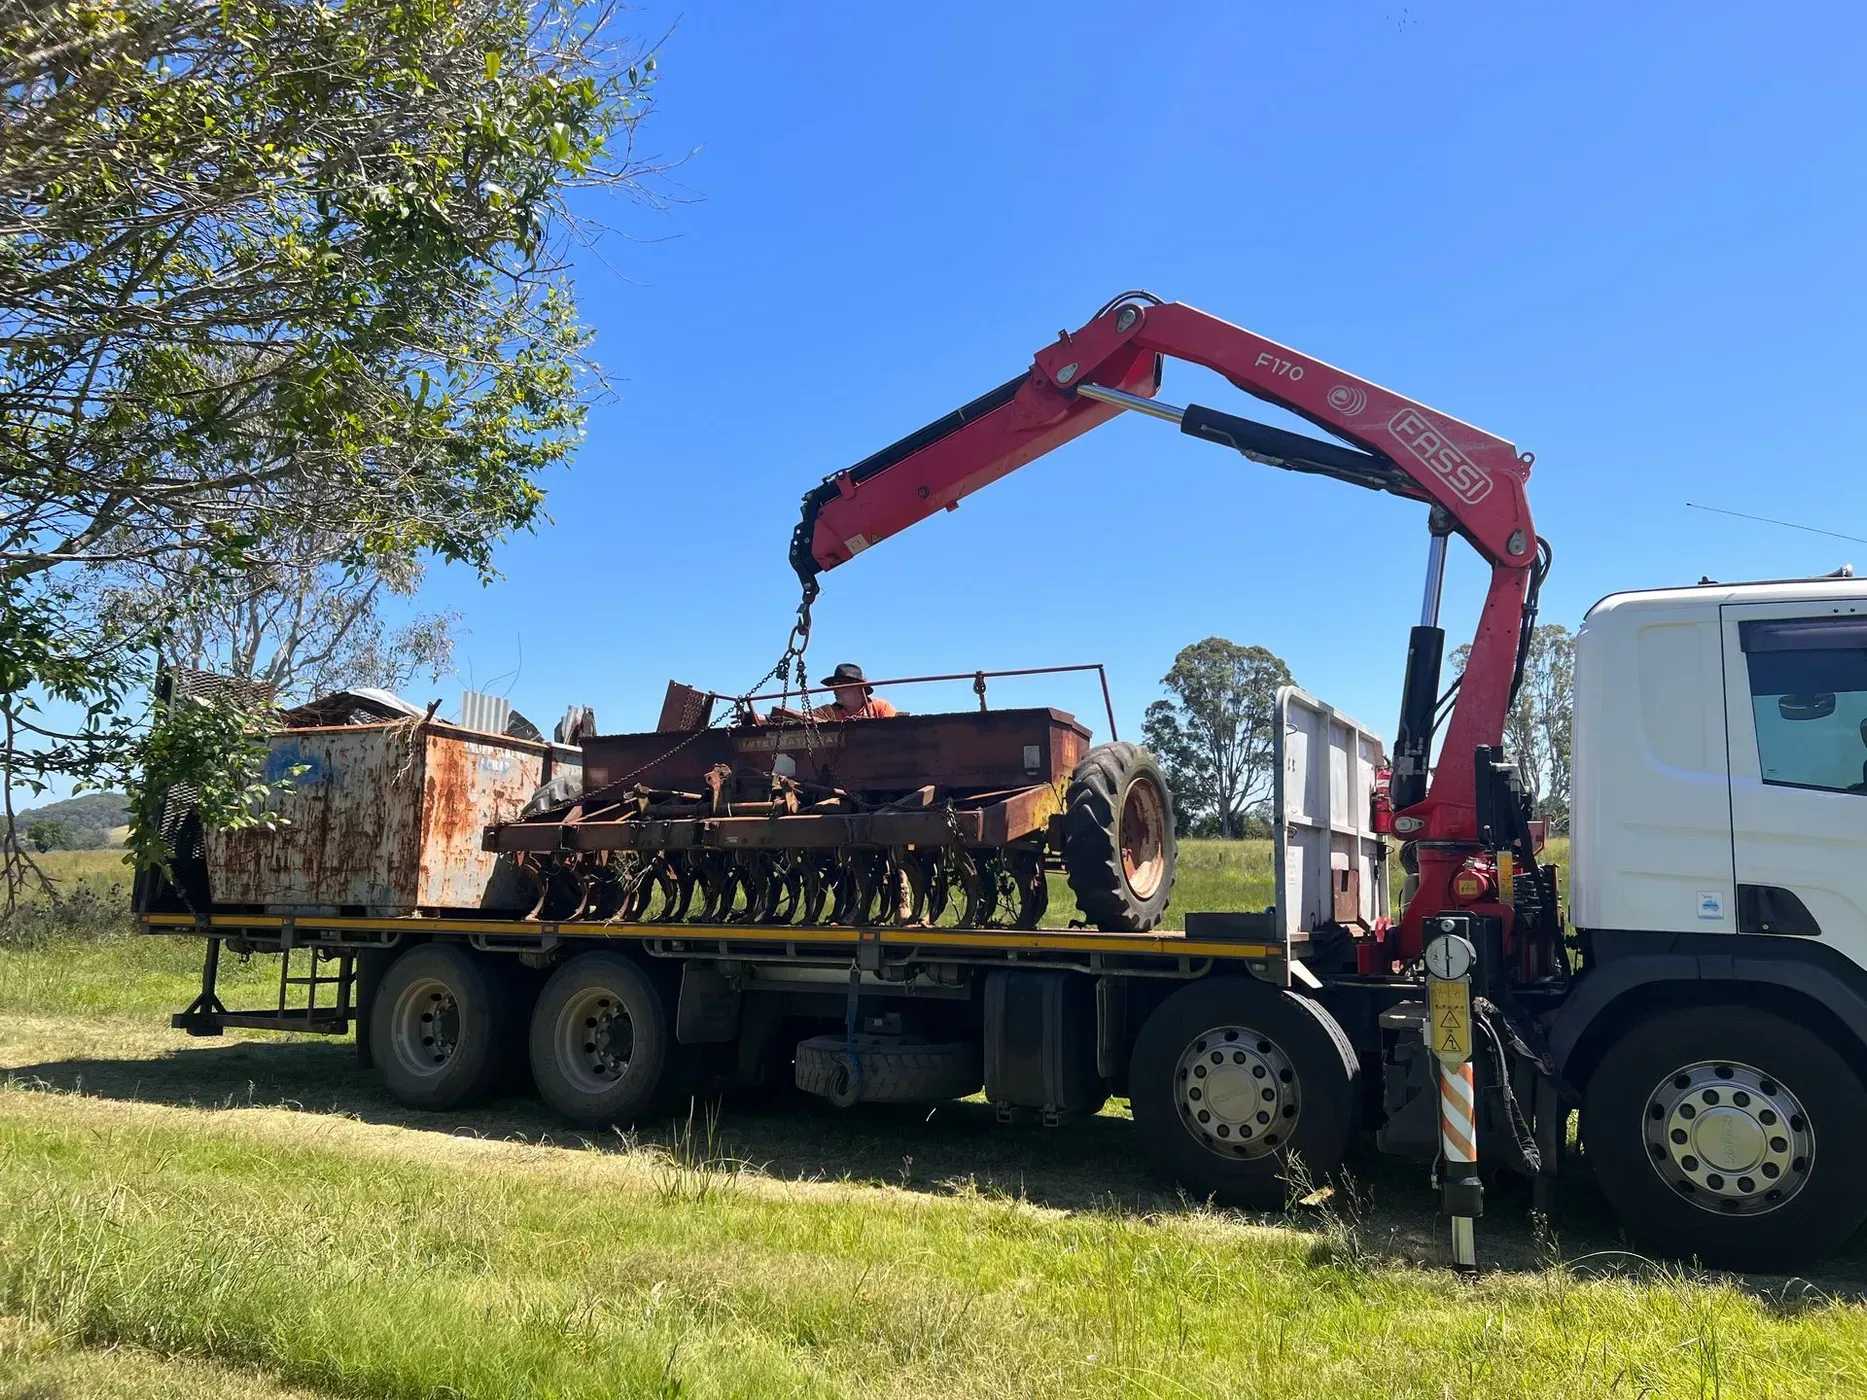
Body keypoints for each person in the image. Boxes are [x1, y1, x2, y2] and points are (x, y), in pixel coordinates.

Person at [810, 662, 898, 720]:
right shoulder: (828, 711)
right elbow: (805, 717)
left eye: (839, 684)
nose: (834, 690)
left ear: (856, 686)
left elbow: (895, 731)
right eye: (833, 686)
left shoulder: (881, 708)